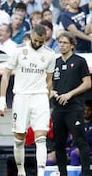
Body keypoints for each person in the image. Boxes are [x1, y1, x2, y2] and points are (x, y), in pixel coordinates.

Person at [0, 24, 56, 176]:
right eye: (36, 40)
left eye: (41, 41)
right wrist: (2, 100)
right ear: (31, 36)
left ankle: (41, 173)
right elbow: (6, 75)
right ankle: (21, 171)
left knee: (41, 137)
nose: (38, 44)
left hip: (40, 97)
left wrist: (48, 94)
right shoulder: (18, 50)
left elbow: (49, 79)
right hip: (21, 97)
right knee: (19, 138)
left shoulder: (50, 54)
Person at [51, 31, 92, 176]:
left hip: (74, 107)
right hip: (58, 108)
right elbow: (48, 84)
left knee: (80, 142)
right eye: (59, 42)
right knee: (59, 144)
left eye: (64, 43)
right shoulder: (55, 62)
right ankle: (63, 174)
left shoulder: (79, 61)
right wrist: (53, 92)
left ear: (72, 45)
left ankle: (86, 173)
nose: (61, 46)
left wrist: (70, 94)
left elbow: (87, 83)